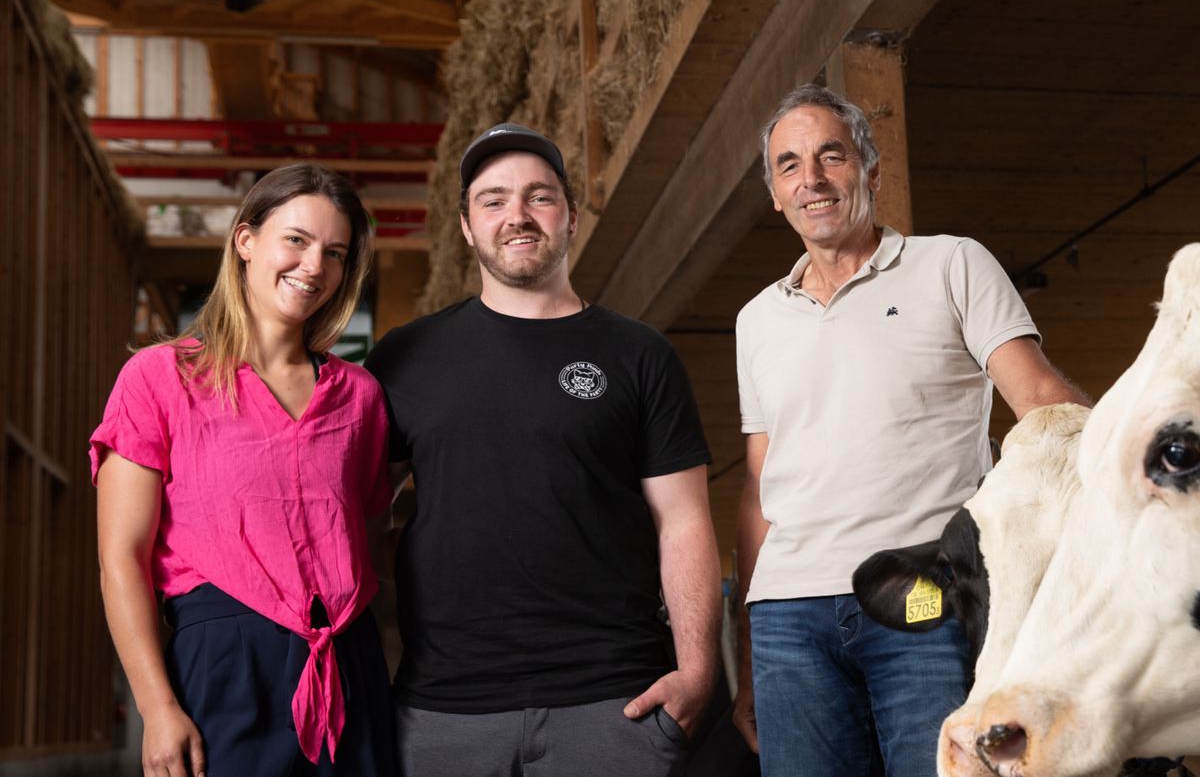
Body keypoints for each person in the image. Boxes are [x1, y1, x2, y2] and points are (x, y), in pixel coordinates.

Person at [732, 84, 1089, 777]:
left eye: (830, 156)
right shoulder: (757, 320)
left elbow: (1044, 404)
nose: (811, 179)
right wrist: (749, 652)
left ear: (870, 170)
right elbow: (757, 484)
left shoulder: (951, 264)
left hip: (922, 598)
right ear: (774, 193)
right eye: (789, 165)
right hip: (787, 618)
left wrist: (1142, 470)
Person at [364, 123, 722, 777]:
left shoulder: (638, 354)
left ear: (571, 217)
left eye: (540, 196)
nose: (518, 216)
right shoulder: (405, 357)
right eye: (493, 200)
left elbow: (685, 519)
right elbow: (359, 513)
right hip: (445, 708)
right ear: (467, 227)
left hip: (613, 702)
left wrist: (698, 671)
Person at [92, 164, 397, 777]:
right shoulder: (160, 377)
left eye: (334, 253)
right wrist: (157, 707)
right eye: (297, 240)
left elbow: (366, 541)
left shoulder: (360, 395)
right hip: (225, 663)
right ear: (246, 241)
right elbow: (121, 558)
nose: (315, 266)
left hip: (348, 664)